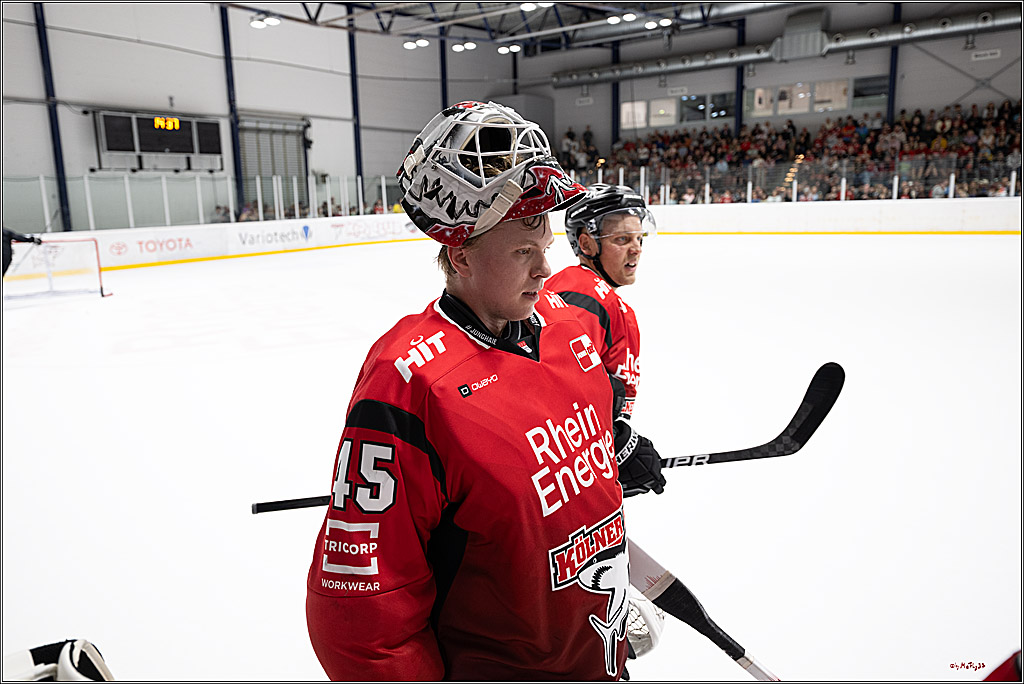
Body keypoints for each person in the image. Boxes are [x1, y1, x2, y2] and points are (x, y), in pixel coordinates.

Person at [305, 101, 662, 681]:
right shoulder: (410, 382)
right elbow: (360, 616)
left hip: (597, 657)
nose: (546, 268)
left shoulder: (569, 328)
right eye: (523, 250)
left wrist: (614, 459)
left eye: (544, 245)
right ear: (459, 254)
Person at [545, 184, 665, 498]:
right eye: (622, 239)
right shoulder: (583, 292)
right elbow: (554, 390)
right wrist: (616, 443)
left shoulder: (598, 295)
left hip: (576, 464)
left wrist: (612, 446)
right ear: (587, 244)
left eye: (639, 238)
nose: (637, 248)